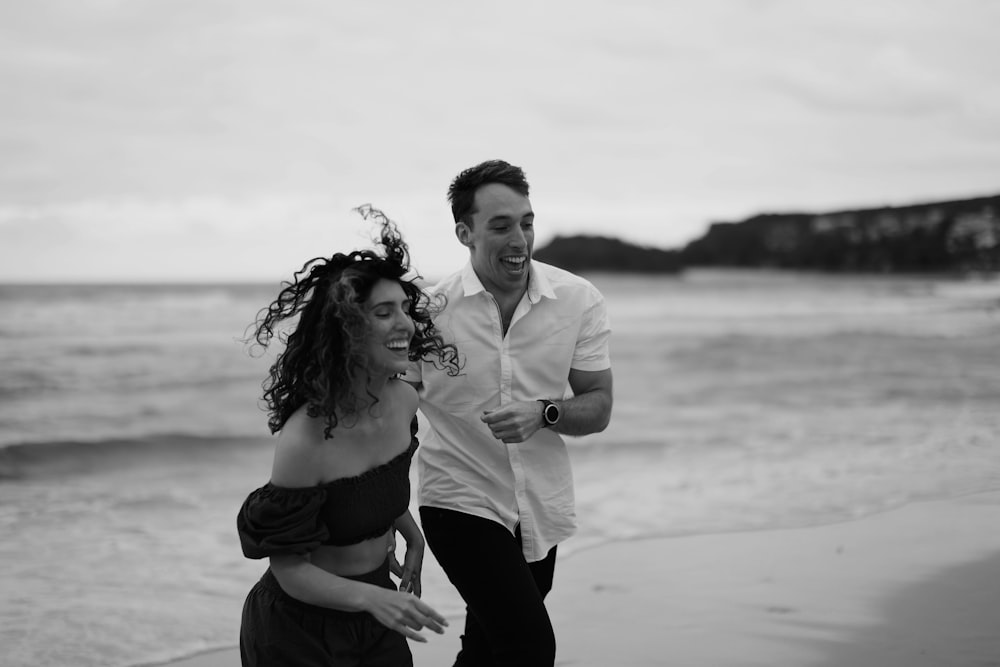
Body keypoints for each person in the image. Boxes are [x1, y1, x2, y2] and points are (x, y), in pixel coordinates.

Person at [406, 160, 614, 666]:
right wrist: (389, 512)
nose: (519, 237)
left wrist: (544, 413)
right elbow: (396, 419)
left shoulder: (577, 300)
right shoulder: (427, 314)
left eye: (526, 222)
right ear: (465, 232)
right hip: (457, 499)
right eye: (500, 225)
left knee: (487, 649)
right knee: (529, 646)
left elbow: (599, 406)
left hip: (539, 504)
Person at [236, 205, 460, 666]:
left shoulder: (404, 402)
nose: (405, 323)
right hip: (299, 630)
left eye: (404, 308)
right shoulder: (306, 438)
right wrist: (371, 599)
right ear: (347, 329)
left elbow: (376, 485)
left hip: (377, 613)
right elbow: (290, 569)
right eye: (384, 312)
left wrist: (411, 536)